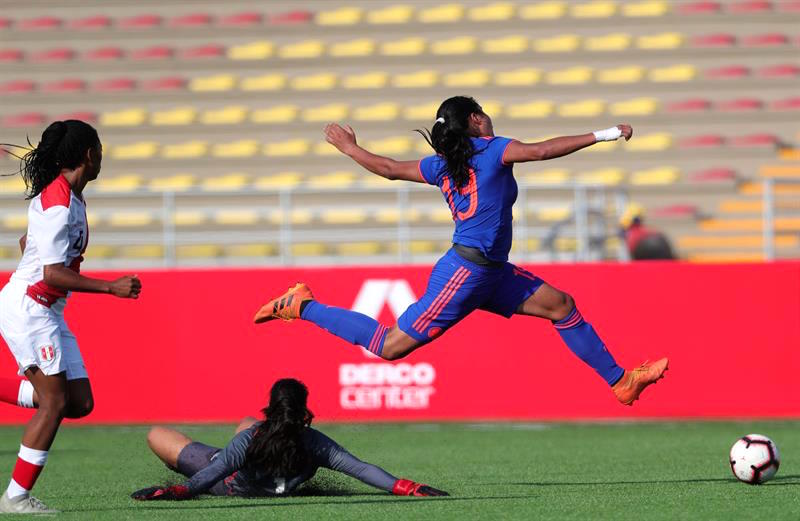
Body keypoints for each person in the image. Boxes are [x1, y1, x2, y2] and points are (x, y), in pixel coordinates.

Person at [255, 96, 668, 407]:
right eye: (484, 114)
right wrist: (605, 134)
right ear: (476, 119)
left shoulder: (443, 163)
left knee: (561, 305)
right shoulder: (491, 150)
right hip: (465, 273)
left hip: (491, 271)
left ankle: (621, 381)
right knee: (390, 346)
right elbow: (541, 151)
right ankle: (301, 306)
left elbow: (388, 168)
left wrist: (349, 147)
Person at [0, 121, 142, 514]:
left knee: (78, 402)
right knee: (54, 403)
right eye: (99, 148)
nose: (102, 156)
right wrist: (110, 287)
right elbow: (51, 273)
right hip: (31, 307)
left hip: (45, 309)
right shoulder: (60, 202)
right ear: (88, 155)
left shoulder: (70, 198)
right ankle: (15, 497)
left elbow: (31, 245)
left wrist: (35, 254)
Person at [132, 378, 447, 500]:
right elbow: (360, 468)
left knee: (156, 434)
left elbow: (215, 472)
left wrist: (178, 490)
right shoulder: (315, 443)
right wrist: (405, 486)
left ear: (272, 408)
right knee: (245, 423)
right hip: (277, 482)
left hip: (231, 486)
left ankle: (178, 465)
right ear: (304, 411)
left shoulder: (250, 441)